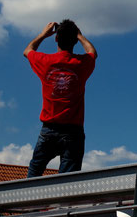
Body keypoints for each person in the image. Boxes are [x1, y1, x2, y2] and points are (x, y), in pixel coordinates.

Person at [24, 19, 97, 177]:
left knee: (34, 174)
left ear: (56, 38)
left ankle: (28, 202)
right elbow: (92, 52)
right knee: (67, 182)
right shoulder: (80, 64)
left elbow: (27, 50)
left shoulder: (46, 62)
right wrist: (80, 35)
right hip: (73, 132)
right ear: (75, 41)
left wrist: (43, 35)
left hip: (49, 129)